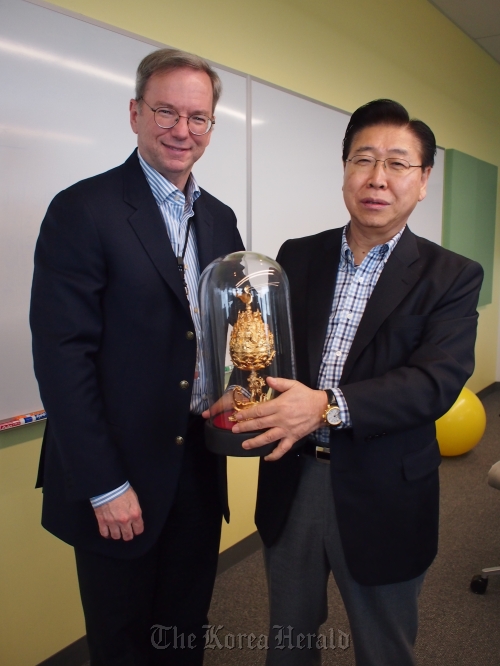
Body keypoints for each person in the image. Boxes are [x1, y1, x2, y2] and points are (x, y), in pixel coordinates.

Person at [230, 99, 483, 665]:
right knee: (288, 640)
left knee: (383, 648)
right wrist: (243, 385)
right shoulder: (298, 255)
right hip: (292, 480)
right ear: (344, 170)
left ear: (423, 182)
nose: (377, 178)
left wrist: (326, 407)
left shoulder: (452, 276)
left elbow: (434, 383)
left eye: (397, 164)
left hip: (384, 491)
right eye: (363, 160)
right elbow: (273, 354)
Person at [30, 48, 244, 665]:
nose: (183, 130)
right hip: (115, 473)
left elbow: (213, 330)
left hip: (198, 466)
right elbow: (62, 357)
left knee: (184, 628)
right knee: (122, 640)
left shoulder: (221, 219)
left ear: (211, 125)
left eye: (198, 117)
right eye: (166, 111)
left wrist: (235, 385)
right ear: (134, 114)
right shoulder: (82, 210)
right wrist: (104, 486)